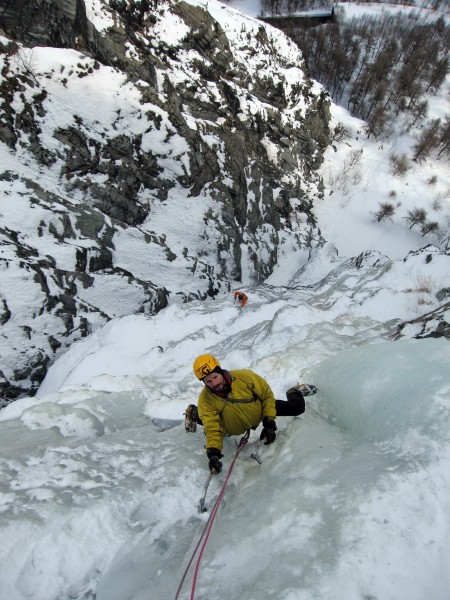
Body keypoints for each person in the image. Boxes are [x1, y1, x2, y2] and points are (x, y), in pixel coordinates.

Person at [186, 354, 317, 474]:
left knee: (298, 408)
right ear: (203, 382)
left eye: (215, 377)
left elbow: (266, 396)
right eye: (208, 381)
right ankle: (194, 413)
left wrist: (269, 423)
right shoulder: (205, 401)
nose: (215, 384)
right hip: (227, 424)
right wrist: (213, 453)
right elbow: (212, 429)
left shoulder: (244, 377)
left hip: (258, 410)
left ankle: (294, 391)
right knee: (207, 419)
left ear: (220, 371)